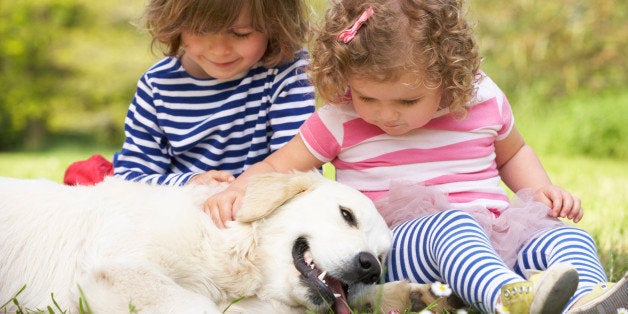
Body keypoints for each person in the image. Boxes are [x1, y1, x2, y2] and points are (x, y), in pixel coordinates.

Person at [204, 0, 626, 313]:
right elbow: (279, 164)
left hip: (498, 232)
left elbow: (513, 152)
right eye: (368, 97)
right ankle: (507, 299)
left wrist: (542, 191)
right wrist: (240, 188)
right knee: (454, 228)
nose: (387, 115)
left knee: (562, 235)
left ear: (448, 76)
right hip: (400, 242)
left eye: (407, 101)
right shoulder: (338, 119)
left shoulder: (482, 100)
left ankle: (589, 300)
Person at [110, 0, 316, 186]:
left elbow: (299, 171)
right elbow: (130, 179)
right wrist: (191, 184)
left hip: (261, 213)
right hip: (183, 215)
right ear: (175, 23)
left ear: (275, 24)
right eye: (200, 30)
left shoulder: (289, 72)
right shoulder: (157, 84)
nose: (220, 50)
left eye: (241, 33)